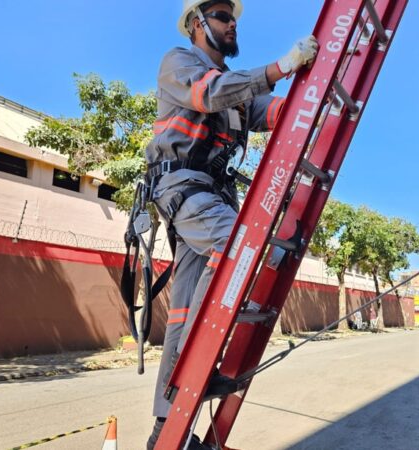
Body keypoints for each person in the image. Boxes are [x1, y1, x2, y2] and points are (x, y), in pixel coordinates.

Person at [144, 0, 318, 448]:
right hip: (183, 188)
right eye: (222, 17)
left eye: (233, 18)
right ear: (197, 25)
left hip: (212, 194)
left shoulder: (239, 92)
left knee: (182, 312)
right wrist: (282, 66)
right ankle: (197, 366)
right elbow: (210, 93)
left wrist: (313, 88)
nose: (232, 24)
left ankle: (166, 426)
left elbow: (272, 111)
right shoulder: (180, 62)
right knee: (241, 249)